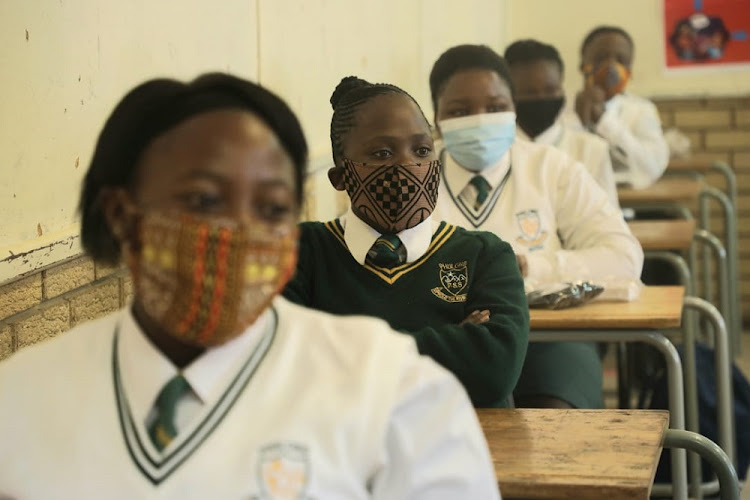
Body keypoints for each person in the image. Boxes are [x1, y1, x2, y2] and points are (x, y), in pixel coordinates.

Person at [0, 73, 502, 499]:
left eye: (272, 208)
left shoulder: (392, 390)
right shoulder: (22, 402)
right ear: (122, 217)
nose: (243, 231)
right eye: (203, 200)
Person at [283, 76, 529, 409]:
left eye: (422, 150)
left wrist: (342, 351)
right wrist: (452, 341)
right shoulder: (302, 251)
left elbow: (493, 371)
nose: (407, 165)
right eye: (382, 153)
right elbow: (287, 367)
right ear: (340, 178)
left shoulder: (485, 255)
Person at [429, 44, 643, 409]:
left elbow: (624, 257)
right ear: (436, 118)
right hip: (446, 339)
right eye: (460, 111)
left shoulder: (552, 168)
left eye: (495, 108)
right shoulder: (416, 177)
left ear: (513, 109)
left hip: (549, 339)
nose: (480, 121)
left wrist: (529, 267)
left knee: (555, 419)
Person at [504, 39, 619, 209]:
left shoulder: (591, 149)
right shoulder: (497, 150)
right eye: (529, 92)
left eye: (550, 90)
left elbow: (608, 216)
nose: (541, 98)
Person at [572, 25, 669, 189]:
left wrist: (604, 120)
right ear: (583, 65)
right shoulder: (562, 109)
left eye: (621, 61)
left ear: (630, 69)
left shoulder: (642, 110)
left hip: (629, 200)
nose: (611, 66)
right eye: (601, 58)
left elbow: (653, 167)